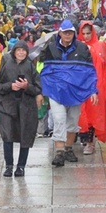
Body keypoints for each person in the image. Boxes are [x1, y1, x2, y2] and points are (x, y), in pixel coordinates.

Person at [39, 20, 98, 167]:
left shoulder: (83, 48)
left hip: (75, 91)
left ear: (73, 33)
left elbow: (89, 70)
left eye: (70, 32)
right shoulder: (51, 48)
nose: (67, 35)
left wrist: (92, 90)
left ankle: (69, 148)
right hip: (56, 91)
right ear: (60, 33)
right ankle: (59, 152)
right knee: (59, 119)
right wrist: (41, 90)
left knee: (72, 120)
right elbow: (44, 69)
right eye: (65, 32)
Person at [0, 40, 42, 177]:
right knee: (7, 135)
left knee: (25, 135)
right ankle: (9, 165)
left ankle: (21, 166)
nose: (21, 53)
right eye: (18, 50)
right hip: (7, 105)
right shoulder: (5, 62)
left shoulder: (30, 66)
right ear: (14, 51)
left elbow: (38, 88)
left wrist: (27, 87)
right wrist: (10, 86)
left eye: (24, 50)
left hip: (26, 106)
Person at [77, 21, 106, 155]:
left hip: (97, 85)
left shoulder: (101, 46)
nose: (86, 36)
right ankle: (85, 139)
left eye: (88, 33)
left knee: (94, 114)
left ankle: (90, 142)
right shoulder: (77, 46)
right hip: (80, 86)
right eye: (83, 33)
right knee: (82, 114)